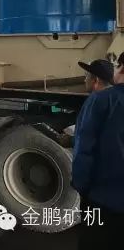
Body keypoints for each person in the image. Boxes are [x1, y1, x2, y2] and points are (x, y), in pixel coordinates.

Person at [72, 53, 124, 248]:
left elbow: (83, 152)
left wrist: (82, 188)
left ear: (121, 68)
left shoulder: (101, 101)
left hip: (103, 200)